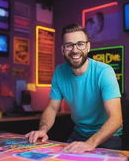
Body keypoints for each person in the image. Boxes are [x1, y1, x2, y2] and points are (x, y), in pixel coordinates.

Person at [25, 23, 122, 153]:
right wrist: (43, 130)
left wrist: (90, 144)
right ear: (63, 50)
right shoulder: (59, 72)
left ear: (88, 47)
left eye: (80, 44)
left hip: (107, 136)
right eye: (69, 45)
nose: (75, 50)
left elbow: (116, 119)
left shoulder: (104, 71)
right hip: (79, 133)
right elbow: (52, 108)